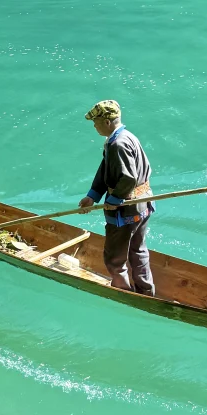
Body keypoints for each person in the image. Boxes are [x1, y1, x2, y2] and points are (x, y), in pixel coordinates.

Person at [78, 100, 155, 295]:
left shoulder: (117, 145)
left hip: (126, 210)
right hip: (143, 204)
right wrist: (93, 196)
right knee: (138, 251)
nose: (94, 126)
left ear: (106, 122)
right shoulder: (126, 137)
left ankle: (123, 291)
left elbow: (128, 178)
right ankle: (146, 292)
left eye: (95, 122)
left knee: (114, 257)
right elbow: (106, 169)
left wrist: (113, 201)